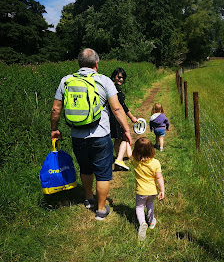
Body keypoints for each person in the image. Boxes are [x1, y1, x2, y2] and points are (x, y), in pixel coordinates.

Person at [50, 48, 132, 221]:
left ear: (79, 63)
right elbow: (117, 108)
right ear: (96, 63)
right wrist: (126, 129)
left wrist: (54, 129)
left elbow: (56, 108)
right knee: (103, 172)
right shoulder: (104, 80)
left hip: (77, 136)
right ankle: (101, 210)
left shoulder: (66, 80)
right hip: (100, 135)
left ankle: (88, 199)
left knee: (85, 168)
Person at [131, 137, 165, 241]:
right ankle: (151, 221)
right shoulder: (155, 163)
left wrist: (126, 142)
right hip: (152, 191)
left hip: (141, 192)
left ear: (136, 150)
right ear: (151, 149)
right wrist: (162, 190)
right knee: (150, 205)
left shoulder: (134, 161)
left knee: (140, 207)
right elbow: (159, 177)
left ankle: (142, 223)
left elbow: (129, 154)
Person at [109, 68, 137, 171]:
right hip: (117, 117)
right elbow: (123, 106)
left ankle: (122, 157)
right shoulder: (116, 89)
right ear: (114, 76)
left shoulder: (109, 86)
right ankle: (120, 159)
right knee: (125, 137)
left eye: (123, 78)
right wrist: (132, 117)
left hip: (110, 117)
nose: (121, 79)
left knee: (118, 139)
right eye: (119, 77)